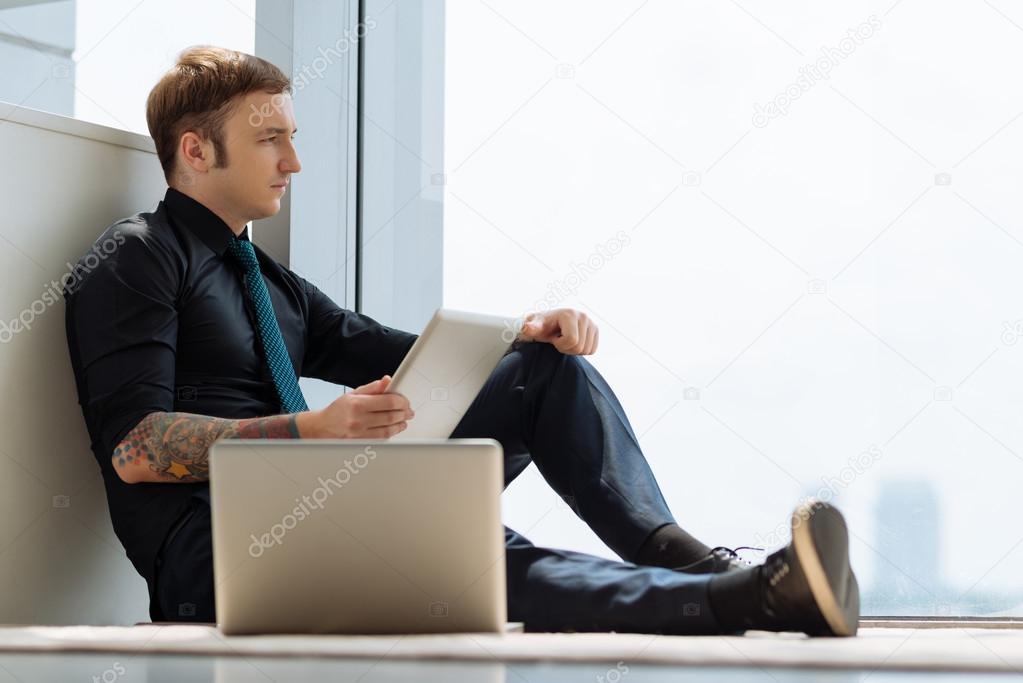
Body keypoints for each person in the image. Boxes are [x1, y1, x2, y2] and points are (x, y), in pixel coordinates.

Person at [64, 46, 859, 636]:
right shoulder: (136, 256)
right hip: (219, 554)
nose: (294, 161)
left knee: (539, 373)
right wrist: (311, 430)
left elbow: (372, 344)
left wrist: (526, 332)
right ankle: (752, 597)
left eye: (292, 136)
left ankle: (696, 564)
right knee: (470, 552)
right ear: (196, 150)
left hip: (305, 498)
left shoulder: (264, 277)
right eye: (270, 138)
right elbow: (137, 448)